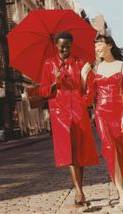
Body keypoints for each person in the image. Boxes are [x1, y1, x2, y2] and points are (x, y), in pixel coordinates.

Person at [39, 31, 99, 206]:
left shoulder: (80, 63)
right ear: (55, 45)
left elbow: (91, 87)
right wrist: (54, 84)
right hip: (60, 114)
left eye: (67, 46)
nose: (64, 49)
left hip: (79, 112)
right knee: (70, 153)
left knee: (79, 153)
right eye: (61, 45)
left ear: (71, 45)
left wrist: (84, 102)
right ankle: (79, 192)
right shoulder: (49, 65)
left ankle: (79, 190)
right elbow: (42, 91)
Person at [82, 34, 123, 211]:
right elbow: (88, 96)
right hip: (101, 113)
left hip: (119, 113)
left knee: (122, 152)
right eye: (95, 47)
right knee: (109, 150)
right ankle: (121, 193)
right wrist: (83, 74)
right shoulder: (95, 69)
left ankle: (121, 183)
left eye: (100, 45)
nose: (97, 49)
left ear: (109, 45)